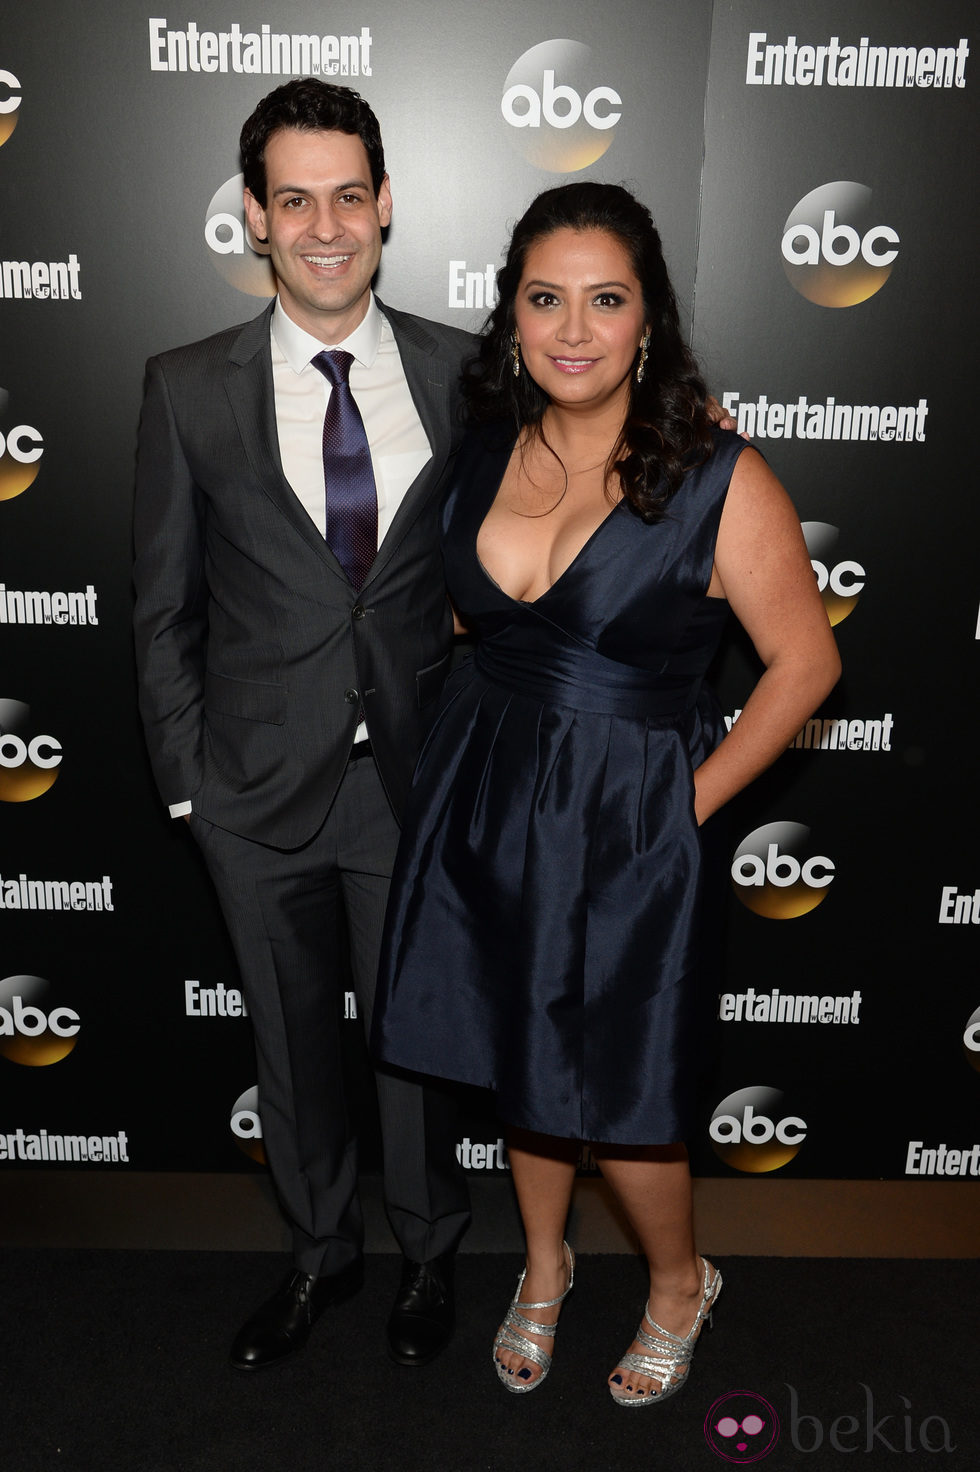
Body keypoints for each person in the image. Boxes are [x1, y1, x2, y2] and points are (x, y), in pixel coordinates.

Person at [372, 182, 841, 1404]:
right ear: (511, 316)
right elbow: (475, 622)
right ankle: (541, 1266)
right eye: (544, 298)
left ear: (649, 320)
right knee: (519, 1058)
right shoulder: (483, 450)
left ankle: (679, 1280)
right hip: (490, 794)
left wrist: (681, 805)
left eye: (605, 298)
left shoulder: (714, 475)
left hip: (629, 820)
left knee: (628, 1098)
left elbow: (806, 664)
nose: (572, 327)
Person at [132, 79, 474, 1372]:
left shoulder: (460, 372)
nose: (325, 226)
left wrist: (696, 441)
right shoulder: (184, 390)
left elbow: (566, 490)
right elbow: (158, 607)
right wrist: (187, 791)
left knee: (414, 1041)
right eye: (295, 201)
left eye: (349, 197)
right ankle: (320, 1255)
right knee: (290, 1043)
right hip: (252, 791)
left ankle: (429, 1254)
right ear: (255, 222)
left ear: (386, 208)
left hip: (411, 781)